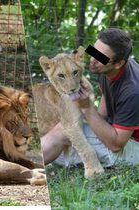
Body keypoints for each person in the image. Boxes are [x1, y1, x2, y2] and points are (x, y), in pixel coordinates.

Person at [41, 28, 139, 167]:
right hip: (120, 136)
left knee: (66, 130)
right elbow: (104, 109)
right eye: (93, 51)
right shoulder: (108, 68)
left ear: (118, 63)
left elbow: (116, 145)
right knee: (60, 146)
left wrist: (87, 107)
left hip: (133, 148)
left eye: (100, 57)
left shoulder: (133, 91)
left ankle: (26, 165)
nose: (93, 60)